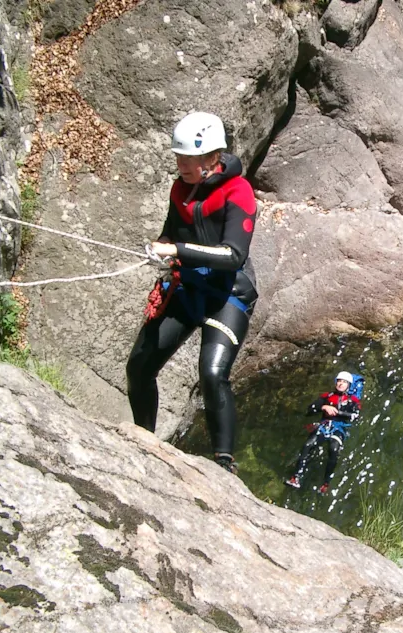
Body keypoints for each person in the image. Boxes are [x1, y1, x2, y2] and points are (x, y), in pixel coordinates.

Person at [126, 111, 258, 475]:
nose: (180, 164)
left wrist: (177, 251)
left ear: (211, 157)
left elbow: (233, 255)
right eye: (178, 157)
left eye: (187, 158)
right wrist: (162, 245)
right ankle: (144, 442)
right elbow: (172, 231)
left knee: (212, 375)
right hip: (189, 288)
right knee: (139, 366)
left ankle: (224, 465)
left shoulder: (239, 192)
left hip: (228, 294)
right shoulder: (180, 189)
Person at [287, 371, 361, 493]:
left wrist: (338, 412)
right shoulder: (327, 396)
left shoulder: (353, 400)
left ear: (349, 385)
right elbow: (309, 410)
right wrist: (323, 407)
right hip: (324, 425)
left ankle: (326, 483)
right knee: (308, 445)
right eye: (339, 381)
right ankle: (296, 478)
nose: (341, 384)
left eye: (344, 382)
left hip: (339, 428)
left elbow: (356, 416)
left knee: (333, 450)